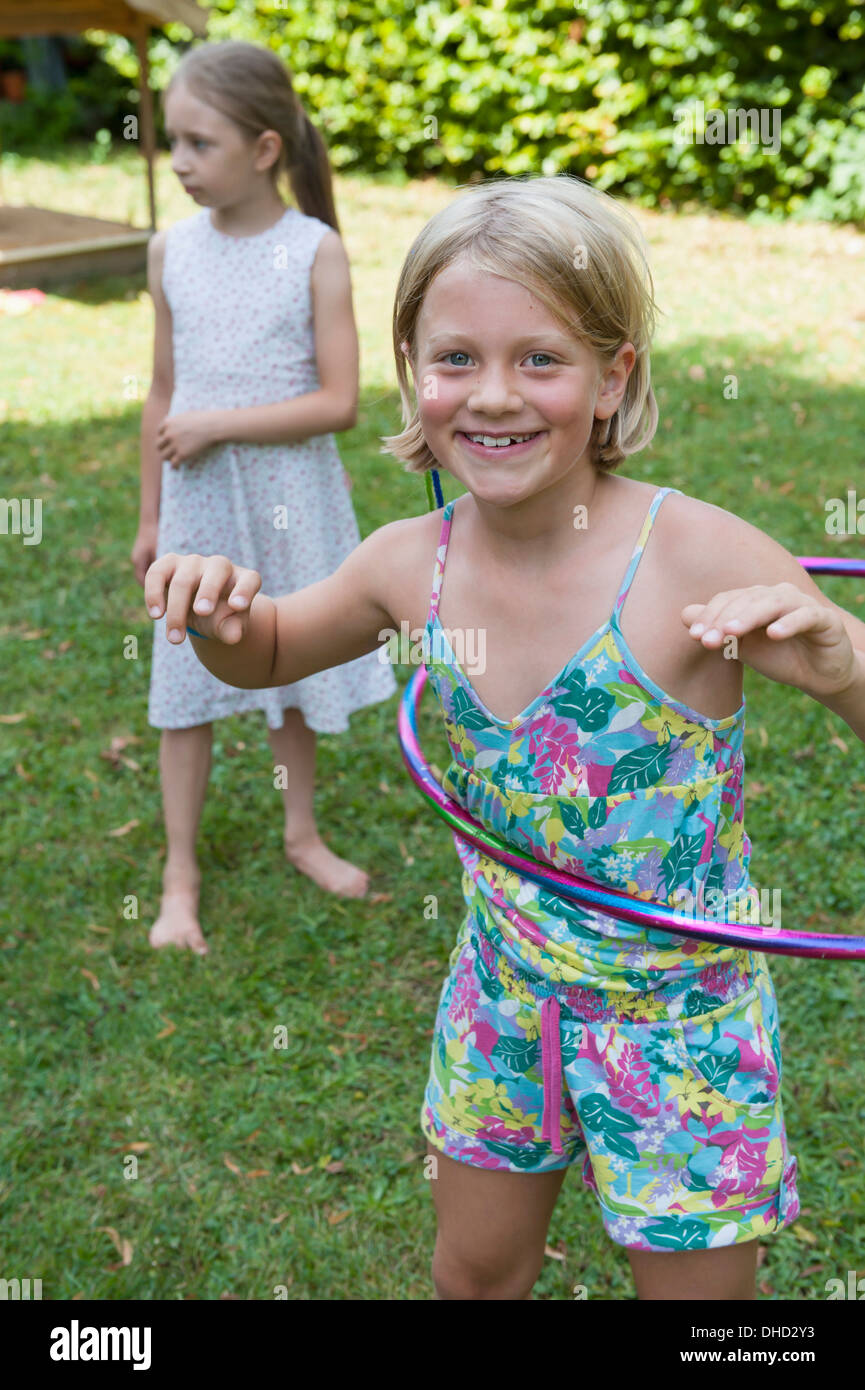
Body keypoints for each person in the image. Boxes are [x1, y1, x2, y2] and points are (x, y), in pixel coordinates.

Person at [143, 174, 865, 1297]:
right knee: (474, 1275)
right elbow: (273, 648)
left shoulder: (698, 558)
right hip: (501, 994)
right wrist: (221, 612)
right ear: (411, 374)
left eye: (540, 359)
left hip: (679, 1028)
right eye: (455, 359)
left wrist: (842, 664)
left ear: (612, 376)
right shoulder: (405, 563)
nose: (493, 396)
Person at [131, 41, 396, 956]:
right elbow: (163, 394)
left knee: (282, 660)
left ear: (265, 149)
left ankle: (301, 833)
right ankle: (179, 875)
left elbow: (339, 402)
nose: (180, 163)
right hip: (197, 505)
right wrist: (150, 517)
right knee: (186, 683)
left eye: (200, 144)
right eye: (175, 142)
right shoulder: (171, 252)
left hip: (288, 494)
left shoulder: (314, 253)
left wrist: (221, 425)